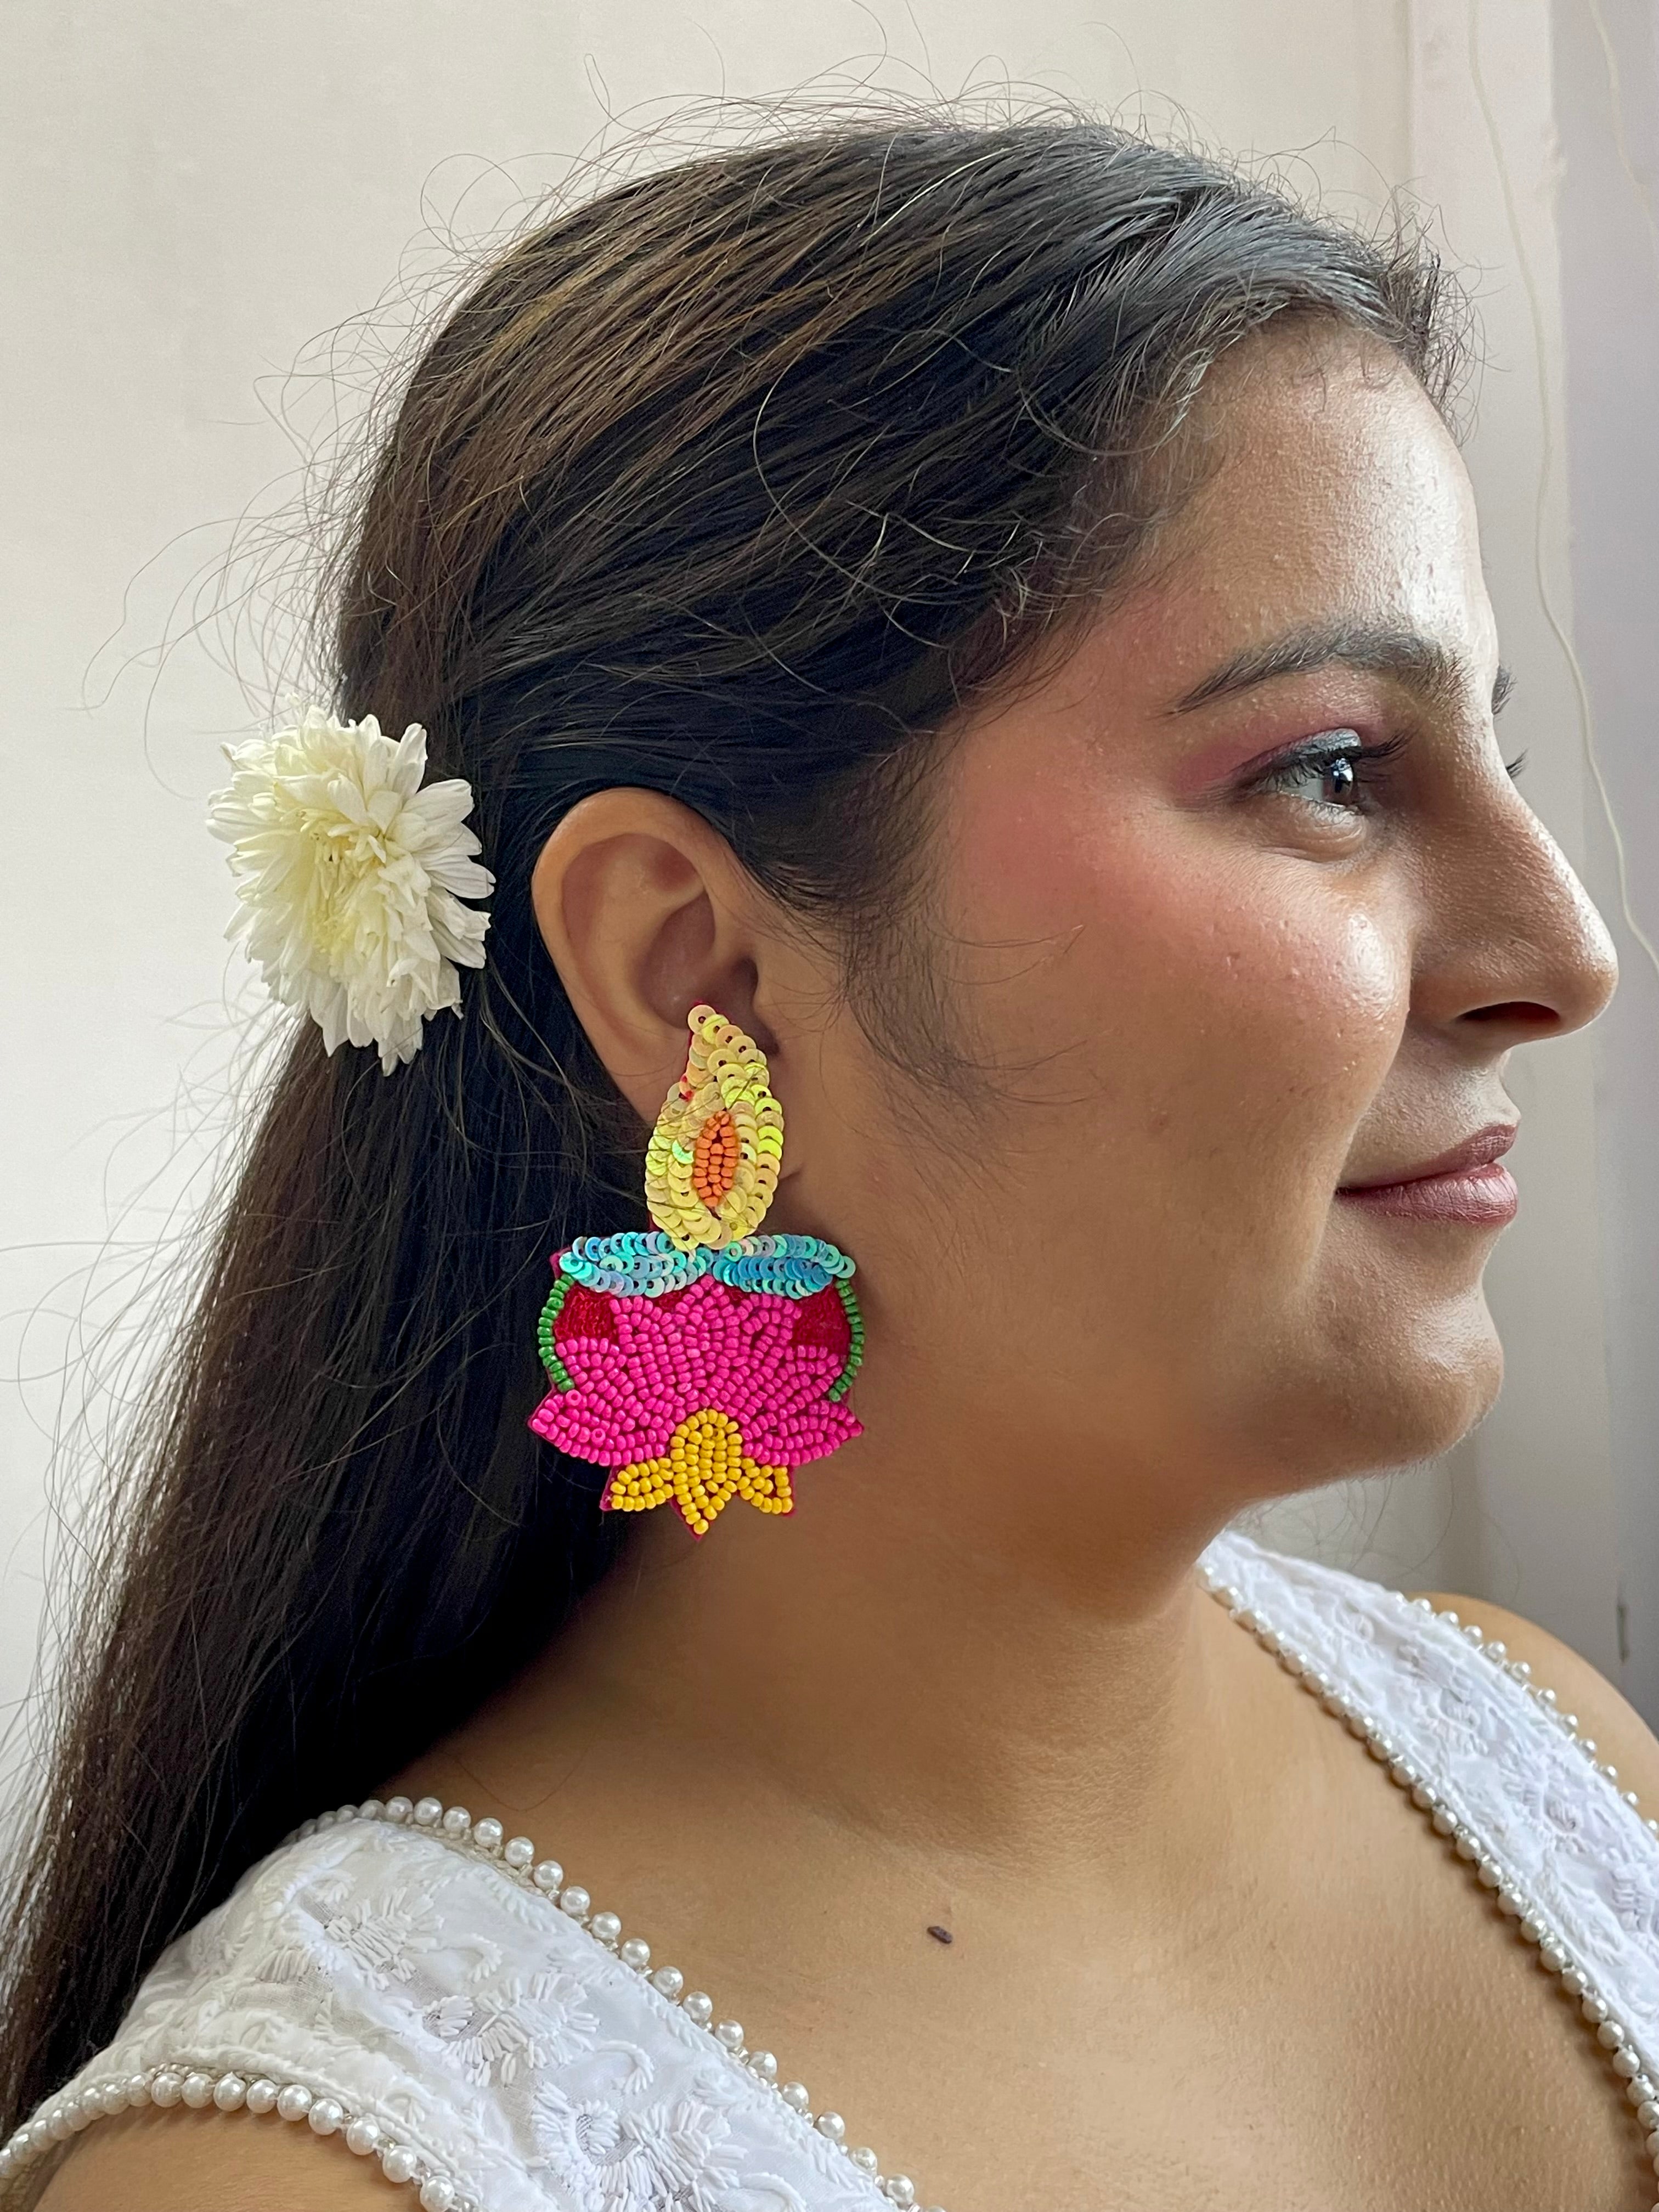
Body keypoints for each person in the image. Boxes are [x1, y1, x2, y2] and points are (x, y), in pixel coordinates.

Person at [1, 113, 1654, 2212]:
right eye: (1331, 768)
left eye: (1502, 747)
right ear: (700, 976)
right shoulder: (310, 2181)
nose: (1567, 958)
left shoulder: (1560, 1769)